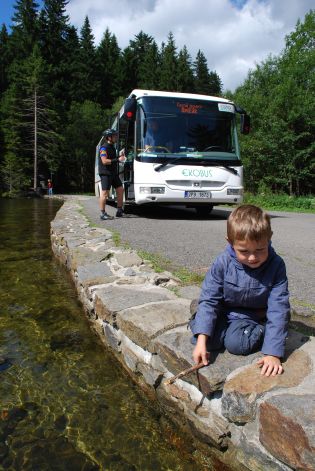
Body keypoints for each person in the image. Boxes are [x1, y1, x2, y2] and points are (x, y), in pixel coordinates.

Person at [189, 204, 290, 377]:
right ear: (230, 242)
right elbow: (210, 299)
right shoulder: (223, 262)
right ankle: (208, 330)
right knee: (203, 338)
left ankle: (263, 329)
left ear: (269, 238)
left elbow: (278, 308)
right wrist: (202, 340)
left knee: (236, 344)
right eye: (244, 251)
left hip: (252, 315)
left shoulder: (276, 265)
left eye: (260, 250)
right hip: (226, 311)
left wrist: (273, 353)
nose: (252, 257)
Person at [98, 128, 126, 220]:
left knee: (120, 189)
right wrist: (118, 159)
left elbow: (113, 160)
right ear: (108, 137)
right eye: (114, 136)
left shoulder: (112, 147)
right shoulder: (103, 148)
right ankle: (102, 214)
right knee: (105, 193)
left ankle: (119, 210)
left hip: (113, 173)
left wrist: (119, 157)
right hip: (106, 173)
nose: (116, 137)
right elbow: (104, 161)